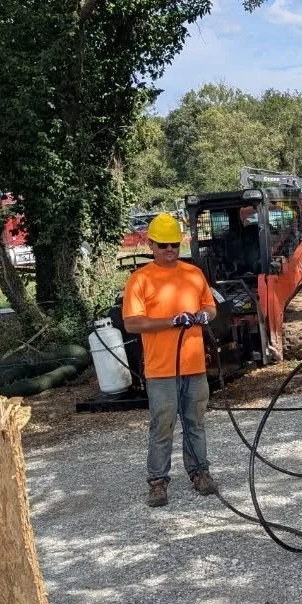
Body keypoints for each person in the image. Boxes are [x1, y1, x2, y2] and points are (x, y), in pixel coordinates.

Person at [122, 213, 218, 508]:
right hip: (161, 370)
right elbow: (132, 323)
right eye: (163, 245)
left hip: (194, 365)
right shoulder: (140, 280)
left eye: (174, 245)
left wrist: (203, 316)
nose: (169, 250)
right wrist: (171, 321)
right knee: (162, 426)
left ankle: (199, 472)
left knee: (195, 423)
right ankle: (157, 482)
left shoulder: (193, 274)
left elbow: (210, 307)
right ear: (151, 244)